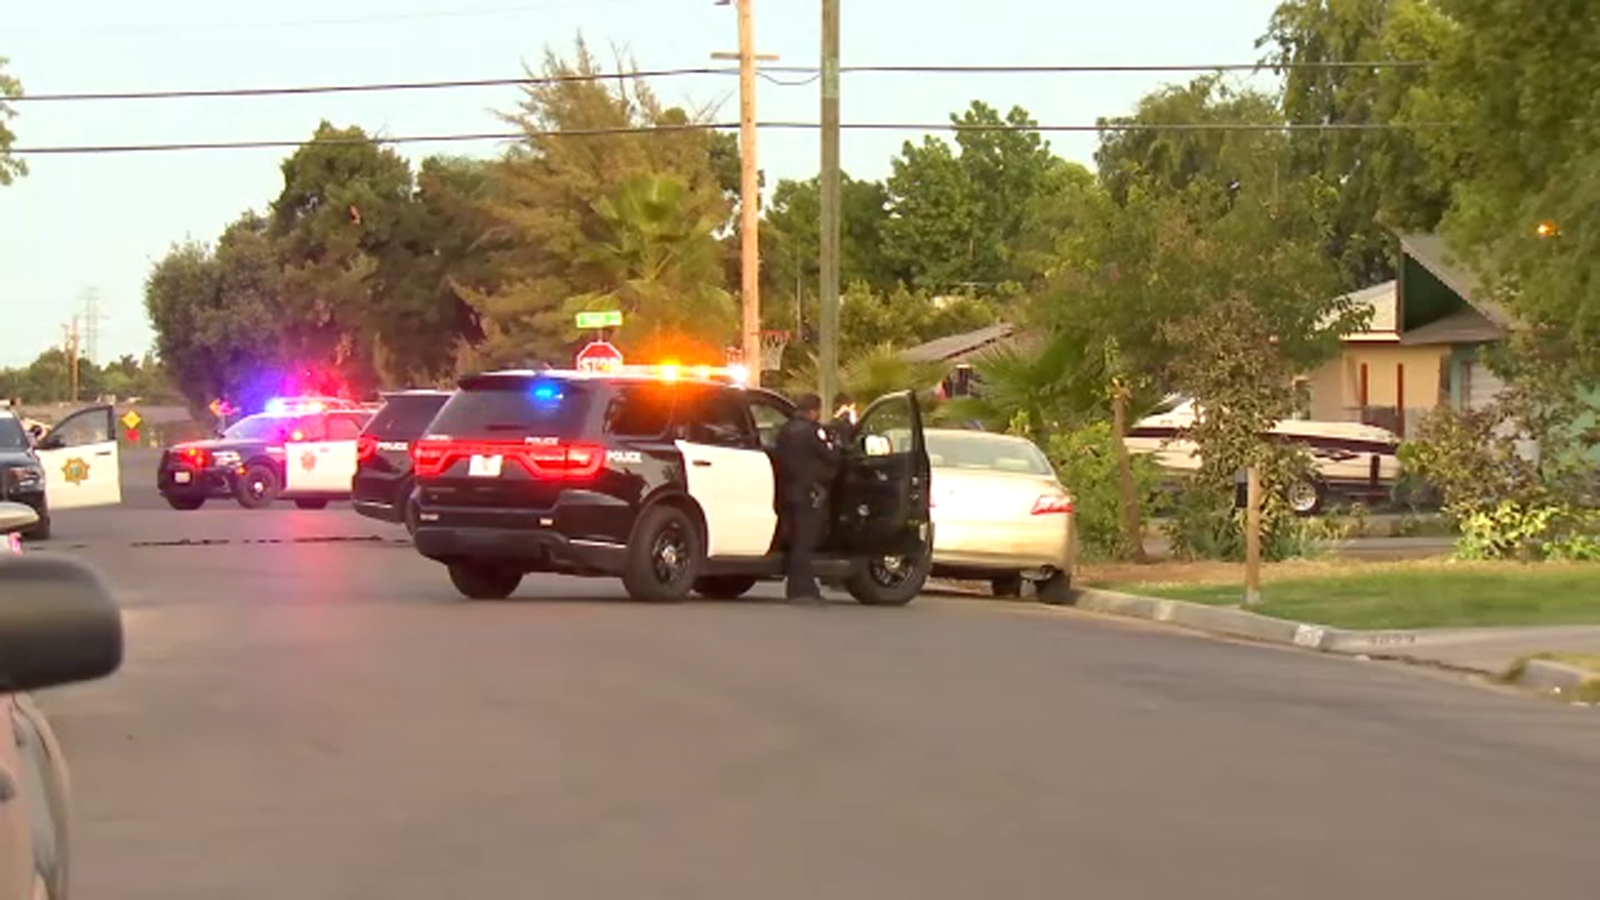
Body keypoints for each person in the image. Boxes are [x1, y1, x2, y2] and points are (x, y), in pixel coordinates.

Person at [774, 393, 840, 603]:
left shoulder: (785, 431)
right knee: (805, 541)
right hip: (808, 492)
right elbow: (831, 456)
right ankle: (802, 590)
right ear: (813, 411)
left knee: (796, 540)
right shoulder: (812, 432)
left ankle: (800, 588)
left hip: (787, 491)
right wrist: (837, 445)